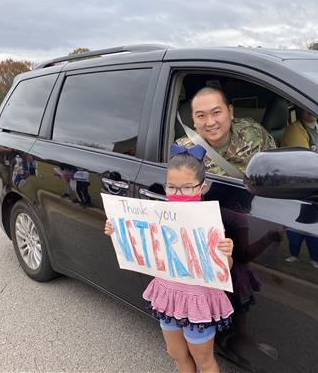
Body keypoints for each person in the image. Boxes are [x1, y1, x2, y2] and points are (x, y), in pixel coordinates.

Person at [104, 144, 234, 373]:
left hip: (197, 301)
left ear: (202, 187)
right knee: (176, 354)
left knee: (204, 360)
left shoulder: (208, 221)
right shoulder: (159, 216)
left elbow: (224, 268)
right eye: (172, 187)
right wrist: (118, 231)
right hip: (167, 295)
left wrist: (226, 253)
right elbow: (140, 243)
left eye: (187, 188)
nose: (179, 194)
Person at [176, 86, 276, 176]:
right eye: (201, 116)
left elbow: (274, 170)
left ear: (230, 112)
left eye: (216, 112)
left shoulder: (254, 132)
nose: (210, 122)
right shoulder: (184, 153)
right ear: (193, 120)